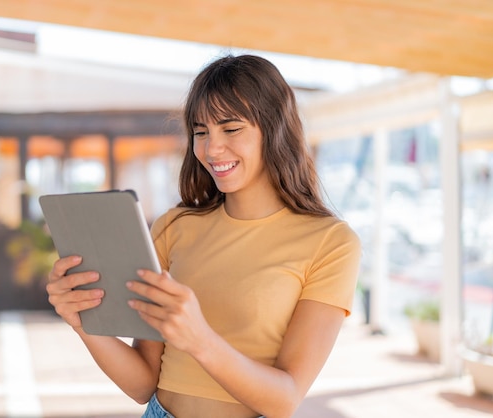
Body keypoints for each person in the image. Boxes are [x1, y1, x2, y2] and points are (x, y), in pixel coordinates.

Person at [47, 54, 361, 418]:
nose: (212, 149)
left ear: (274, 129)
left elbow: (285, 399)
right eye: (201, 132)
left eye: (231, 129)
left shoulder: (331, 243)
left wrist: (200, 340)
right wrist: (84, 324)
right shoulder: (174, 226)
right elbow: (142, 384)